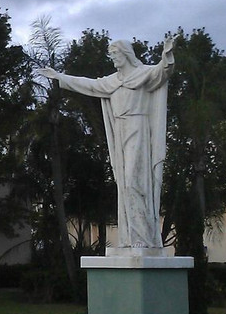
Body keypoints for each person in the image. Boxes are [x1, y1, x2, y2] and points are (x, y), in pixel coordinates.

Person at [35, 37, 176, 251]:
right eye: (111, 56)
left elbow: (162, 71)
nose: (113, 60)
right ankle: (129, 236)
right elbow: (88, 85)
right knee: (123, 183)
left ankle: (143, 237)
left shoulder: (143, 74)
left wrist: (166, 54)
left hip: (138, 129)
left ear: (126, 54)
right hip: (119, 130)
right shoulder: (112, 82)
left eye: (116, 55)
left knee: (133, 181)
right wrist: (59, 77)